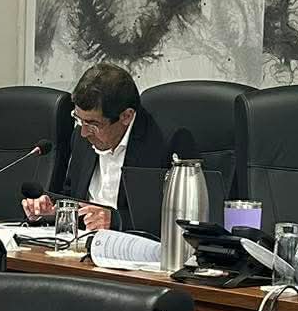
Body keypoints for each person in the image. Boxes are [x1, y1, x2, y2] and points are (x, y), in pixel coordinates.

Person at [22, 63, 196, 233]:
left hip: (134, 247)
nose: (84, 132)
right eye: (79, 119)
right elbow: (72, 196)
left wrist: (116, 221)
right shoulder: (81, 136)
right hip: (84, 244)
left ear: (126, 116)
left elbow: (183, 218)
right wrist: (51, 210)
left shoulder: (168, 141)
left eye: (93, 124)